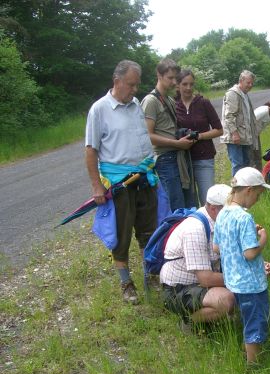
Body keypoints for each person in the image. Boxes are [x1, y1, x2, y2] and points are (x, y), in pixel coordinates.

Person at [85, 60, 158, 304]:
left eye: (137, 84)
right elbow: (91, 150)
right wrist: (97, 186)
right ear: (117, 81)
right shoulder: (99, 109)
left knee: (149, 231)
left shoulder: (136, 104)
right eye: (131, 84)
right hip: (119, 184)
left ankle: (151, 278)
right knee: (121, 235)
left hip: (145, 178)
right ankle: (126, 283)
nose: (135, 89)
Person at [213, 167, 270, 365]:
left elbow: (216, 247)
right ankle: (253, 364)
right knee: (256, 322)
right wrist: (263, 238)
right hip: (251, 284)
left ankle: (247, 352)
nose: (258, 199)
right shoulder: (245, 217)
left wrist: (247, 235)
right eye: (258, 194)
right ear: (248, 190)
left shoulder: (223, 213)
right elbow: (250, 254)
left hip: (234, 281)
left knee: (247, 318)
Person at [161, 184, 235, 328]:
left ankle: (214, 318)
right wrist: (243, 277)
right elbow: (206, 279)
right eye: (229, 212)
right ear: (213, 208)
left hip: (197, 283)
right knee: (226, 299)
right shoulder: (194, 230)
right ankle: (189, 322)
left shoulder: (217, 222)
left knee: (243, 288)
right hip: (178, 289)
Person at [141, 58, 197, 211]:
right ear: (159, 75)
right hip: (165, 159)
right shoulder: (151, 101)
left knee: (187, 202)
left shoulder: (169, 100)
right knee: (176, 205)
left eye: (175, 78)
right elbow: (147, 136)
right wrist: (177, 143)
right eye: (170, 78)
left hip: (177, 157)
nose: (174, 82)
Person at [175, 69, 223, 206]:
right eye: (184, 84)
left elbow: (219, 130)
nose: (188, 88)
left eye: (191, 84)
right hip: (183, 161)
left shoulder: (203, 103)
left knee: (208, 201)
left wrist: (200, 136)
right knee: (189, 203)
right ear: (178, 85)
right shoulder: (173, 105)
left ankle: (211, 227)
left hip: (204, 158)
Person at [221, 70, 259, 175]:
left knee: (246, 164)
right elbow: (229, 116)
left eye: (252, 83)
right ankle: (236, 190)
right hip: (235, 138)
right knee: (238, 165)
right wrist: (234, 133)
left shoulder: (244, 94)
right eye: (248, 83)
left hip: (244, 137)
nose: (250, 85)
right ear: (241, 81)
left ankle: (245, 189)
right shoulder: (233, 93)